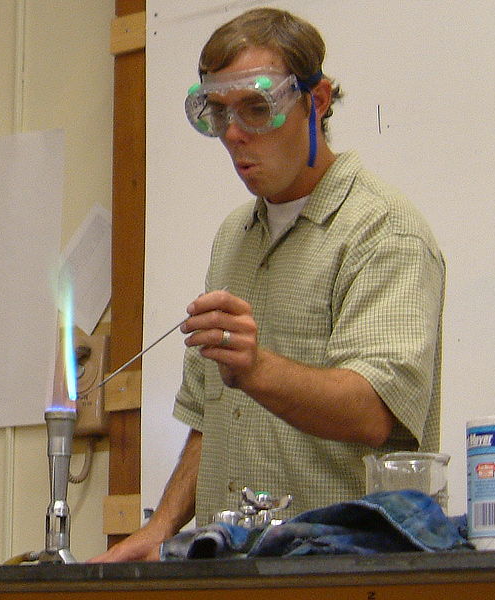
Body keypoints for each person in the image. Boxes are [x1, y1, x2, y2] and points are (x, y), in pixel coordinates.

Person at [90, 7, 445, 563]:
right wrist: (160, 529)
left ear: (317, 101)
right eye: (218, 112)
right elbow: (213, 419)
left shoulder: (383, 229)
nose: (234, 135)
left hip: (339, 574)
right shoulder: (234, 237)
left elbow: (375, 413)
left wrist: (256, 369)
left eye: (258, 108)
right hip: (227, 569)